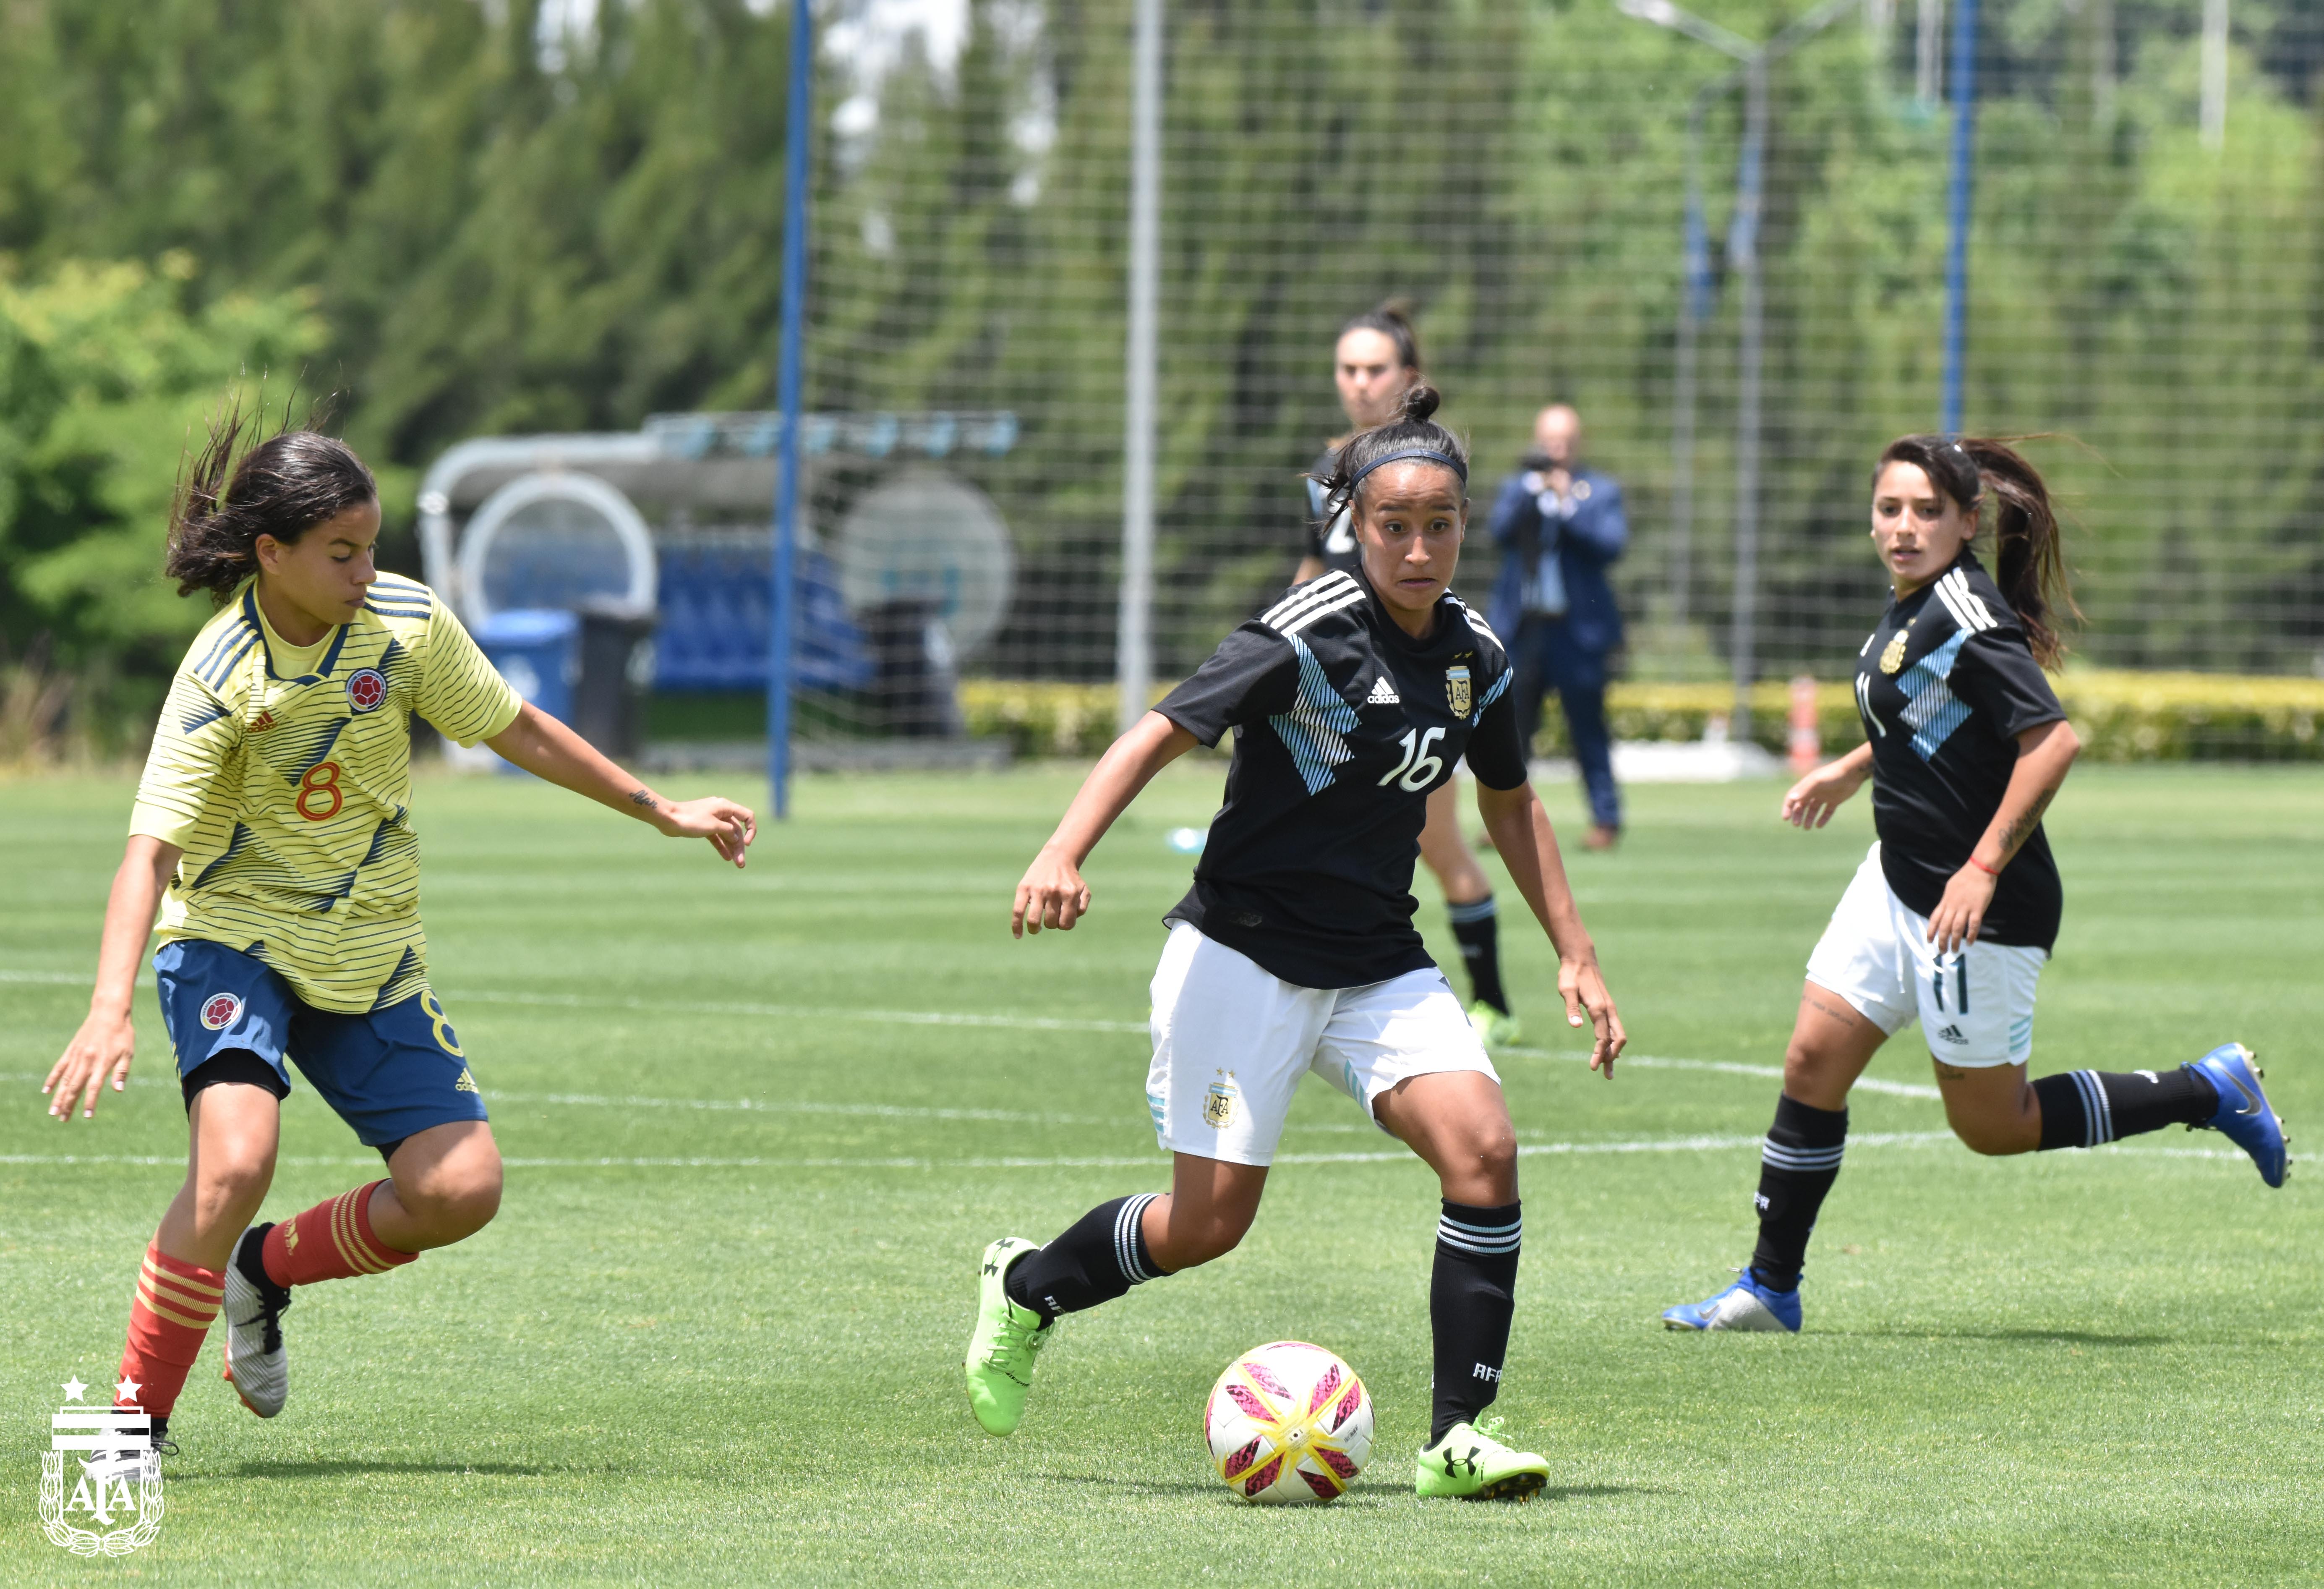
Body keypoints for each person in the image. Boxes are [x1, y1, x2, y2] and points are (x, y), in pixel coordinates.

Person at [40, 410, 757, 1456]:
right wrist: (109, 1008)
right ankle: (133, 1422)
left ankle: (263, 1270)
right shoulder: (219, 673)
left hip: (368, 947)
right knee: (235, 1157)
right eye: (342, 552)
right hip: (233, 940)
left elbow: (515, 724)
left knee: (459, 1189)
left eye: (373, 545)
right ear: (271, 553)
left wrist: (662, 809)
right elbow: (147, 854)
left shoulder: (407, 624)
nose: (366, 569)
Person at [965, 385, 1627, 1500]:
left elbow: (1510, 803)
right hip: (1244, 956)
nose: (1419, 548)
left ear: (1466, 523)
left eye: (1441, 524)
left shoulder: (1475, 651)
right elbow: (1157, 734)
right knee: (1208, 1225)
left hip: (1377, 961)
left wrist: (1574, 949)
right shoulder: (1304, 633)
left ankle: (1458, 1435)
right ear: (1355, 526)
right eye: (1394, 527)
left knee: (1486, 1153)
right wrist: (1060, 849)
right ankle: (1028, 1286)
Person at [1663, 435, 2286, 1334]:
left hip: (1978, 908)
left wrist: (1983, 867)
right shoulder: (1916, 603)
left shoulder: (1965, 610)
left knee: (1994, 1124)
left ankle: (2206, 1088)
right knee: (1812, 1060)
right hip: (1897, 879)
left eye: (1925, 512)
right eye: (1890, 509)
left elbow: (2052, 742)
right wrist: (1851, 769)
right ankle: (1770, 1287)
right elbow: (1932, 714)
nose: (1904, 528)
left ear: (1966, 522)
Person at [1296, 303, 1522, 1045]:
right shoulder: (1325, 471)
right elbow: (1308, 573)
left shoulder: (1425, 467)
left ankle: (1491, 1001)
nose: (1360, 384)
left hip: (1408, 688)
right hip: (1330, 694)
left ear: (1409, 377)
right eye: (1348, 369)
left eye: (1376, 369)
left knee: (1438, 843)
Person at [1486, 404, 1627, 850]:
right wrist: (1534, 493)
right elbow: (1497, 532)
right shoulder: (1518, 489)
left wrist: (1567, 505)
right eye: (1549, 442)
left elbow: (1611, 545)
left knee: (1588, 729)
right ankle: (1504, 821)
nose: (1556, 451)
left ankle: (1606, 820)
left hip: (1576, 633)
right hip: (1525, 629)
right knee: (1510, 731)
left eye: (1564, 442)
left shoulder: (1598, 492)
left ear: (1578, 444)